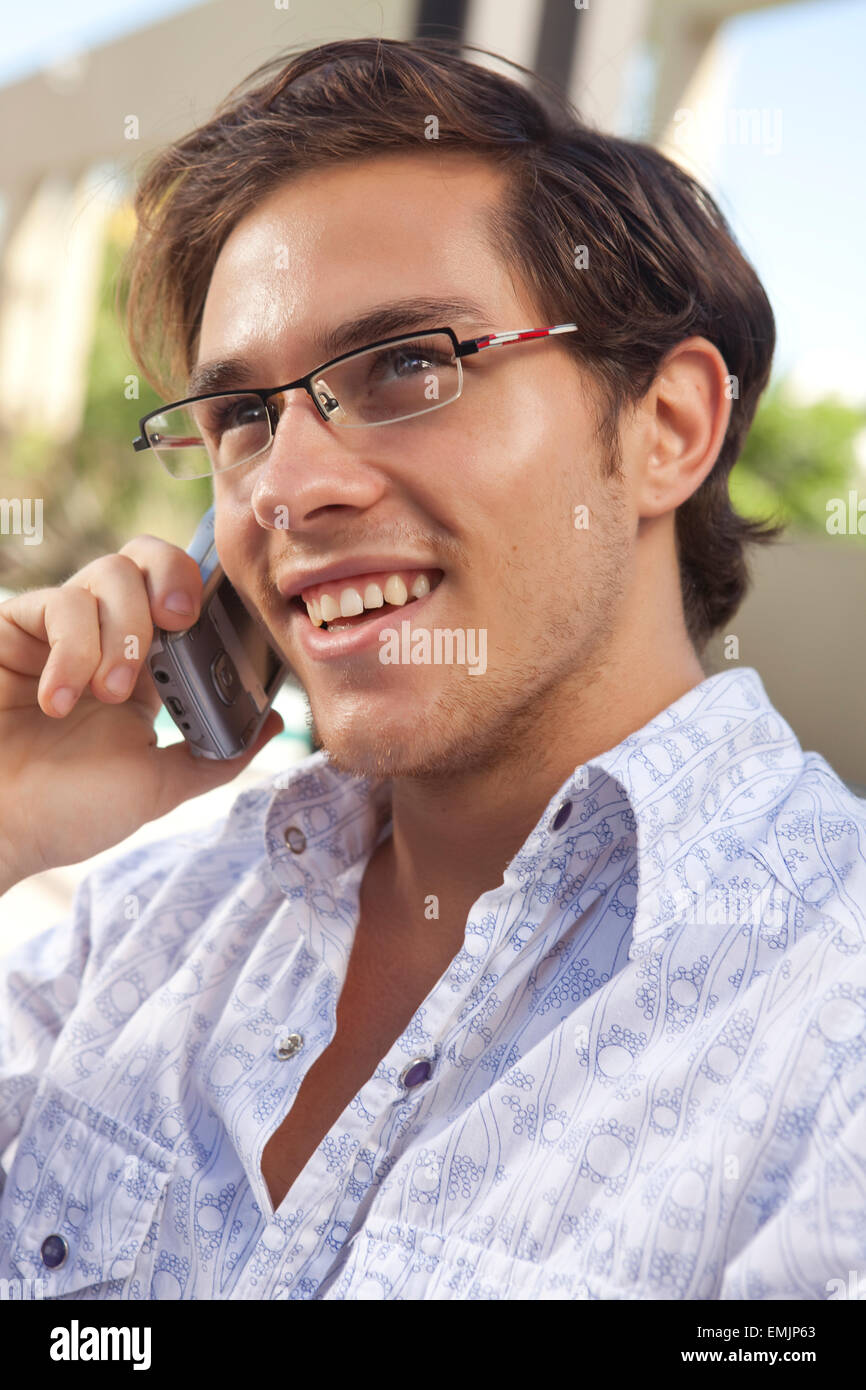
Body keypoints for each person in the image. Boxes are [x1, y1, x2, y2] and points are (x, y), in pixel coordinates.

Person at [0, 36, 863, 1303]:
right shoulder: (142, 927)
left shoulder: (825, 1026)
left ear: (667, 427)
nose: (286, 490)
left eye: (409, 364)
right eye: (246, 416)